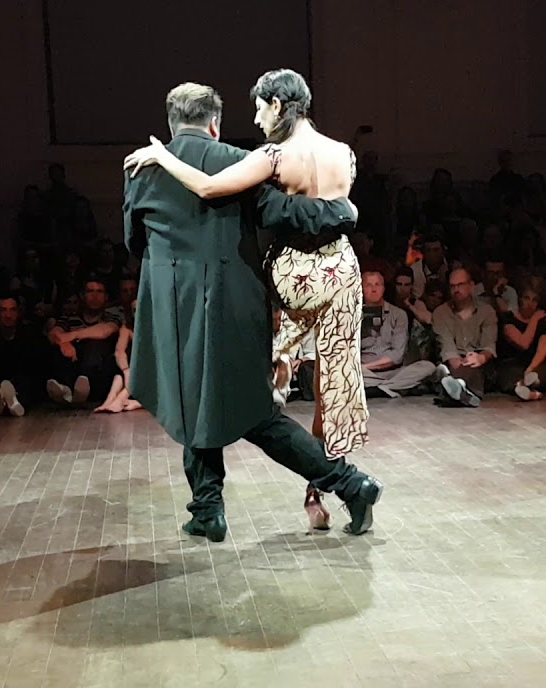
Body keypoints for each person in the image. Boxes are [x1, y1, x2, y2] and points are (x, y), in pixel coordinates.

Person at [122, 82, 380, 540]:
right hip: (232, 302)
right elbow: (286, 212)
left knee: (191, 400)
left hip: (173, 306)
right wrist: (342, 210)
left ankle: (216, 506)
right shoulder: (235, 162)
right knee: (248, 411)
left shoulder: (141, 168)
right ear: (215, 123)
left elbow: (132, 241)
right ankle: (219, 508)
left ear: (171, 123)